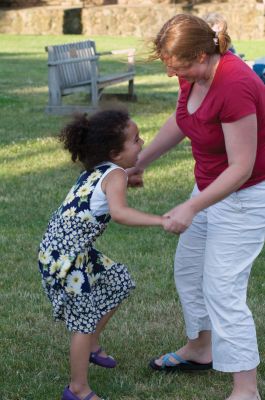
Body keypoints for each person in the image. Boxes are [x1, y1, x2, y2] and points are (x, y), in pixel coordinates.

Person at [128, 13, 265, 400]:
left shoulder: (235, 83)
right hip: (209, 188)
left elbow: (241, 167)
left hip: (245, 196)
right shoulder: (194, 75)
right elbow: (181, 119)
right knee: (189, 271)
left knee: (223, 289)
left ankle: (246, 389)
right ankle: (201, 349)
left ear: (203, 54)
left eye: (180, 67)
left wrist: (191, 208)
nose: (174, 76)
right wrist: (141, 161)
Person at [38, 108, 166, 400]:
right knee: (82, 321)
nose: (142, 142)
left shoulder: (102, 169)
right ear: (114, 152)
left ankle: (93, 344)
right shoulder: (115, 174)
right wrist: (160, 220)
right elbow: (120, 213)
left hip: (65, 251)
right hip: (66, 260)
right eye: (135, 140)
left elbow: (111, 186)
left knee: (119, 281)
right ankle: (78, 389)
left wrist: (129, 177)